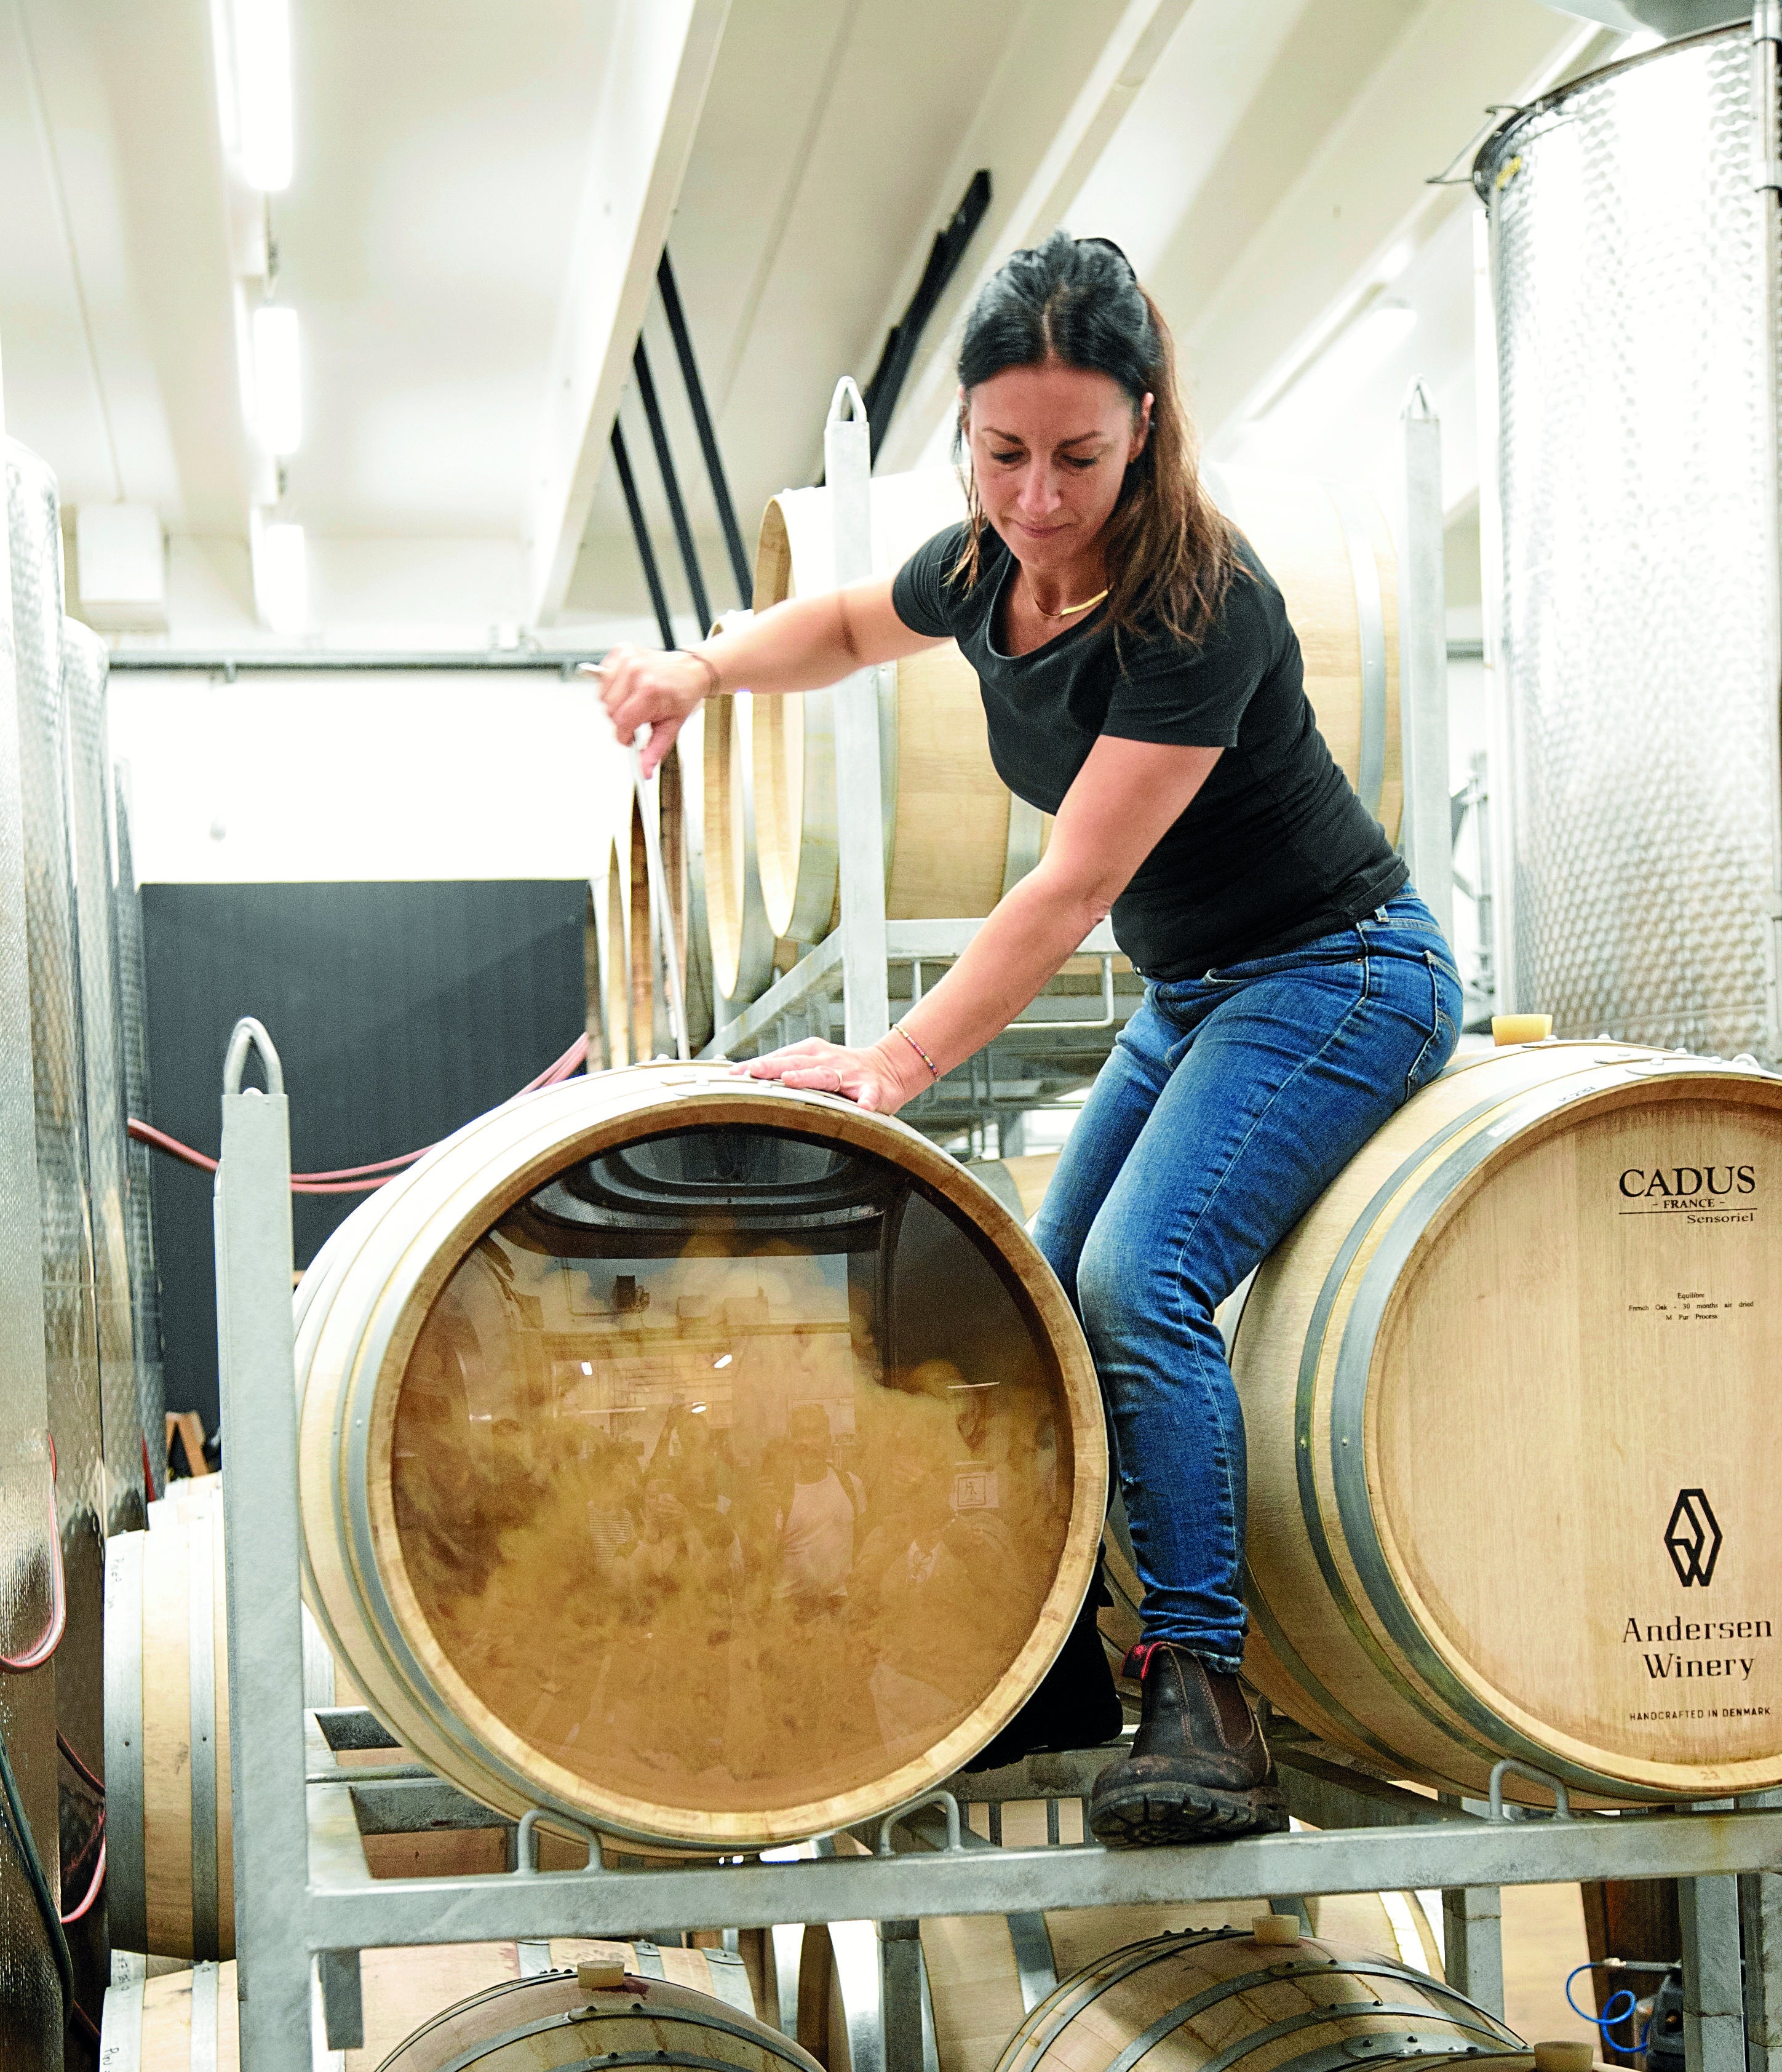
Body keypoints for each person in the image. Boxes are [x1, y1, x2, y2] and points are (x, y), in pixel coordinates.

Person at [599, 229, 1462, 1848]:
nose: (1041, 495)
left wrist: (896, 1064)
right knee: (1037, 1298)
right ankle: (1051, 1666)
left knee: (1142, 1284)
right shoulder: (989, 568)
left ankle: (1204, 1691)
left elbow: (1071, 888)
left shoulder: (1201, 606)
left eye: (1080, 455)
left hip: (1338, 973)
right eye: (1005, 455)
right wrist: (698, 669)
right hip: (1202, 991)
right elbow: (851, 628)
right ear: (973, 435)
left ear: (1147, 425)